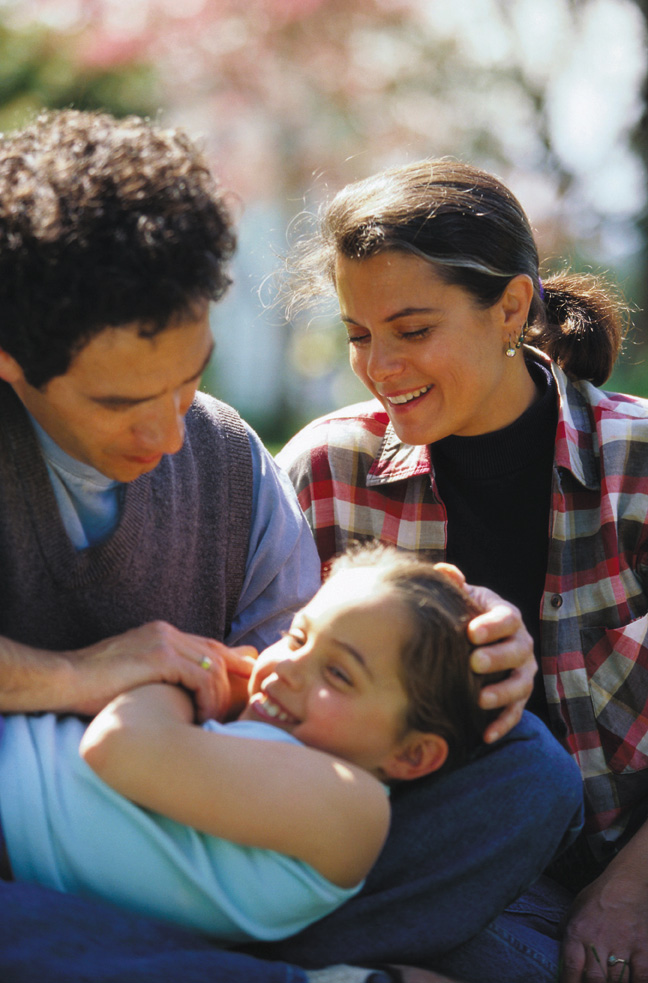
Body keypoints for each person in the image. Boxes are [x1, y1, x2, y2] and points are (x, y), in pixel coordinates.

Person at [0, 109, 576, 983]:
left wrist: (453, 642)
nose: (167, 434)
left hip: (215, 841)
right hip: (39, 847)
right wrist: (76, 676)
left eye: (190, 380)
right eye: (121, 403)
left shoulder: (229, 457)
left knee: (527, 767)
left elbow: (297, 702)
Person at [276, 157, 646, 983]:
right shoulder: (327, 473)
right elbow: (263, 696)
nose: (380, 366)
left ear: (511, 306)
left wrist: (630, 890)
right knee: (530, 783)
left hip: (626, 882)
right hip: (429, 876)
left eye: (412, 330)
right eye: (359, 334)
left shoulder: (638, 467)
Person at [2, 544, 546, 944]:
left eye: (338, 674)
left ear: (410, 755)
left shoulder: (349, 807)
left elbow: (119, 747)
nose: (286, 667)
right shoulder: (278, 744)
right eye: (297, 637)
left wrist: (183, 676)